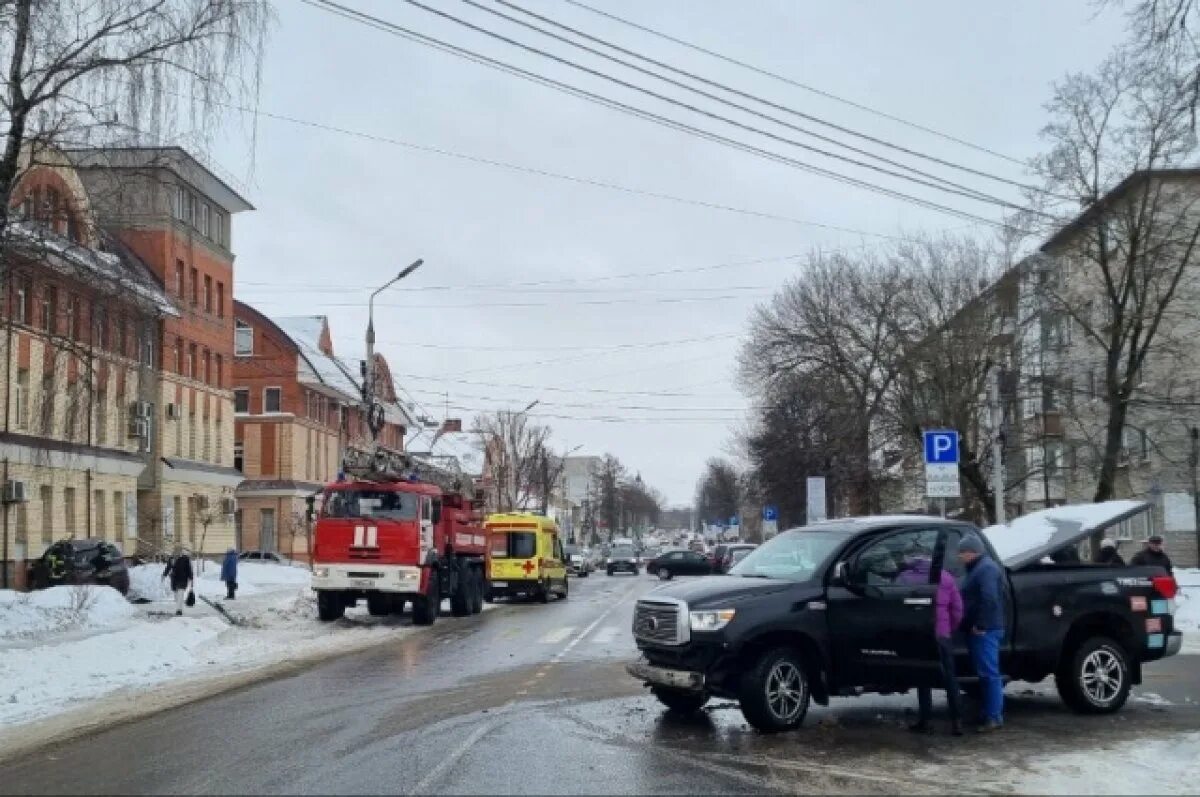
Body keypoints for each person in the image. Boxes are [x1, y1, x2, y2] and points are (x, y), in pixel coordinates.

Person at [898, 547, 964, 736]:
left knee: (923, 677)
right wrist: (949, 628)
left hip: (919, 635)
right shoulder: (946, 577)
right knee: (950, 678)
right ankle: (957, 722)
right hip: (942, 634)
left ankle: (925, 720)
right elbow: (957, 608)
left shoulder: (904, 578)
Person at [957, 535, 1006, 732]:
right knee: (985, 672)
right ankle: (989, 712)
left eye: (962, 553)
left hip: (985, 630)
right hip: (981, 629)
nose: (960, 557)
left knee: (989, 674)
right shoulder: (981, 568)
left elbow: (990, 599)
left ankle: (994, 716)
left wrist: (981, 624)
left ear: (972, 551)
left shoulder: (985, 569)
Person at [162, 548, 195, 616]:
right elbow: (168, 567)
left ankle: (179, 610)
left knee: (180, 594)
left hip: (183, 579)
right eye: (175, 553)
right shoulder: (171, 559)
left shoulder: (185, 559)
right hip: (174, 580)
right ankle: (179, 606)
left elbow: (189, 570)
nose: (176, 554)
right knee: (176, 596)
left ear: (181, 553)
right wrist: (164, 575)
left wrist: (191, 579)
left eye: (177, 553)